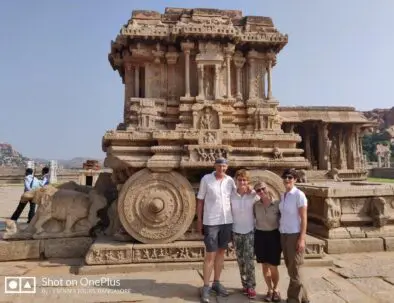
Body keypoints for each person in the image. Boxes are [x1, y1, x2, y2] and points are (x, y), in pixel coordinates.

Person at [197, 158, 235, 303]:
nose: (222, 168)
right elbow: (200, 200)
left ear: (227, 167)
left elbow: (236, 197)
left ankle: (216, 283)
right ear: (214, 166)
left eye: (224, 166)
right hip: (211, 221)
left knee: (221, 252)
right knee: (210, 255)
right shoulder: (206, 179)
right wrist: (199, 220)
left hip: (226, 221)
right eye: (219, 165)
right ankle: (206, 286)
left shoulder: (230, 181)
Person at [279, 168, 309, 303]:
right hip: (284, 233)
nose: (287, 180)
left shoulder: (299, 195)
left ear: (295, 179)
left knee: (295, 268)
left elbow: (304, 218)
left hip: (295, 234)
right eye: (285, 177)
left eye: (290, 177)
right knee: (290, 267)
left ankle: (294, 299)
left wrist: (302, 238)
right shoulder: (283, 195)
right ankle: (304, 298)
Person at [230, 169, 257, 299]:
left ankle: (251, 285)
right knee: (240, 260)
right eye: (240, 180)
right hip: (236, 231)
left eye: (244, 180)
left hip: (249, 231)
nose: (242, 182)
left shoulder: (252, 195)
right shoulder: (232, 195)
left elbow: (266, 201)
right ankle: (245, 284)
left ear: (248, 182)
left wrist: (254, 191)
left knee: (249, 260)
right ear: (236, 181)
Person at [254, 181, 282, 302]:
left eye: (263, 189)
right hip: (260, 235)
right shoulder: (256, 205)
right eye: (258, 190)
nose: (261, 192)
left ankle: (276, 289)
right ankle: (269, 289)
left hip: (274, 235)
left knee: (273, 266)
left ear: (267, 188)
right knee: (264, 265)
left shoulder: (277, 204)